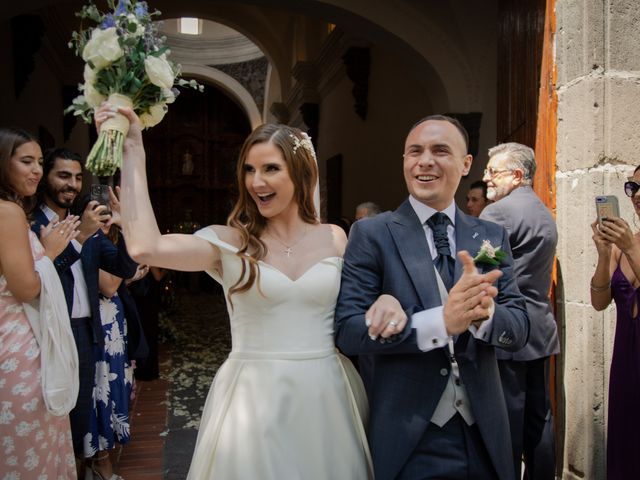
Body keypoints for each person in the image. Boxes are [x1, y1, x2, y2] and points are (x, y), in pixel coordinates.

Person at [95, 103, 373, 479]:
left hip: (327, 396)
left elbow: (360, 306)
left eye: (271, 168)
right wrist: (133, 150)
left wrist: (385, 300)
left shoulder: (335, 238)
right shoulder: (230, 243)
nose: (256, 182)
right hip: (253, 396)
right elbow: (146, 247)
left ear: (301, 173)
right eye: (249, 170)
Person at [335, 115, 529, 480]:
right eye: (415, 152)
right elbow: (347, 331)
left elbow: (517, 328)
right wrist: (439, 323)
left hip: (484, 436)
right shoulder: (373, 234)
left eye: (440, 150)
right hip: (411, 436)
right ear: (405, 162)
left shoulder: (490, 237)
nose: (425, 161)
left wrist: (483, 315)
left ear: (466, 163)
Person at [31, 148, 138, 477]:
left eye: (78, 178)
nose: (72, 185)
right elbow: (44, 275)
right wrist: (79, 237)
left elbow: (122, 267)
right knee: (55, 413)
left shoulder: (82, 224)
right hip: (51, 332)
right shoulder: (31, 226)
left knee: (80, 418)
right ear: (45, 177)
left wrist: (127, 228)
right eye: (64, 176)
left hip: (87, 332)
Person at [0, 127, 80, 478]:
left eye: (38, 162)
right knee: (29, 447)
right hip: (17, 347)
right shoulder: (8, 212)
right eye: (26, 161)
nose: (35, 170)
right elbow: (25, 288)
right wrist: (49, 253)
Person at [480, 142, 559, 479]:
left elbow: (485, 272)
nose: (485, 179)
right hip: (540, 330)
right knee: (539, 419)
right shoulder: (544, 211)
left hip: (508, 331)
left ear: (516, 175)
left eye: (492, 171)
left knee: (506, 423)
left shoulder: (496, 214)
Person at [590, 165, 640, 479]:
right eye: (632, 187)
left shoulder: (630, 244)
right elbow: (598, 302)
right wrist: (603, 252)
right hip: (626, 363)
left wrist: (630, 248)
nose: (636, 195)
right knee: (626, 446)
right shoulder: (625, 244)